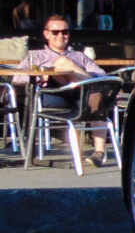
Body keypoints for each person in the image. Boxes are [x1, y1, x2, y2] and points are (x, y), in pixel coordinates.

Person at [15, 15, 112, 168]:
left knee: (95, 95)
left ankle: (99, 153)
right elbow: (16, 78)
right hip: (53, 94)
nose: (61, 35)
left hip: (80, 95)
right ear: (46, 34)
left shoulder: (79, 56)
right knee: (63, 63)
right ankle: (91, 87)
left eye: (65, 32)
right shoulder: (35, 56)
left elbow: (101, 74)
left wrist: (75, 72)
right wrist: (44, 76)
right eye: (55, 32)